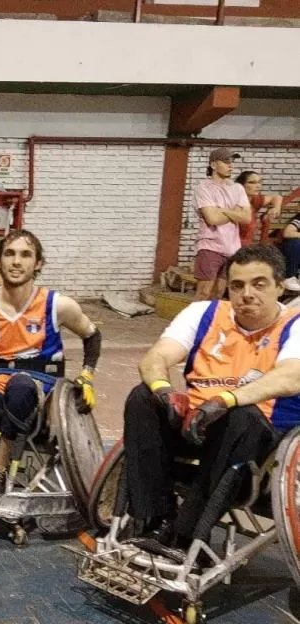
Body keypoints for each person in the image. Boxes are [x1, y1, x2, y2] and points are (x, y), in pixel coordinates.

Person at [124, 244, 300, 562]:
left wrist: (227, 399)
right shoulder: (204, 313)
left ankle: (188, 534)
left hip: (258, 447)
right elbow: (156, 358)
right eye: (237, 285)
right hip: (198, 427)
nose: (247, 293)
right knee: (143, 397)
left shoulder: (295, 325)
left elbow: (290, 376)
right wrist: (164, 390)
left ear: (279, 286)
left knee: (240, 416)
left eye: (258, 284)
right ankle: (154, 521)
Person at [0, 230, 101, 499]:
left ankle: (0, 464)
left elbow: (92, 334)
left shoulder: (57, 305)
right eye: (10, 254)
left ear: (37, 264)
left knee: (20, 385)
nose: (17, 261)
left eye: (26, 255)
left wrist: (86, 376)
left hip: (35, 391)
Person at [192, 148, 251, 302]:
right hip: (210, 246)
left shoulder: (237, 188)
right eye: (225, 162)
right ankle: (193, 324)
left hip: (232, 248)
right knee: (204, 293)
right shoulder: (203, 188)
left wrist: (222, 210)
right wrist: (234, 211)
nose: (230, 166)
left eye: (231, 162)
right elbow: (212, 218)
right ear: (213, 164)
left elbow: (246, 218)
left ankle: (212, 324)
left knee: (219, 293)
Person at [234, 170, 282, 247]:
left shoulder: (254, 200)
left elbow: (276, 197)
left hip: (247, 247)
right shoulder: (235, 203)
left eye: (259, 182)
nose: (258, 186)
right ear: (241, 185)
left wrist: (276, 208)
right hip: (234, 247)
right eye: (252, 182)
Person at [279, 211, 300, 288]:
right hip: (294, 254)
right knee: (295, 242)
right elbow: (287, 232)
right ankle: (289, 277)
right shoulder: (298, 220)